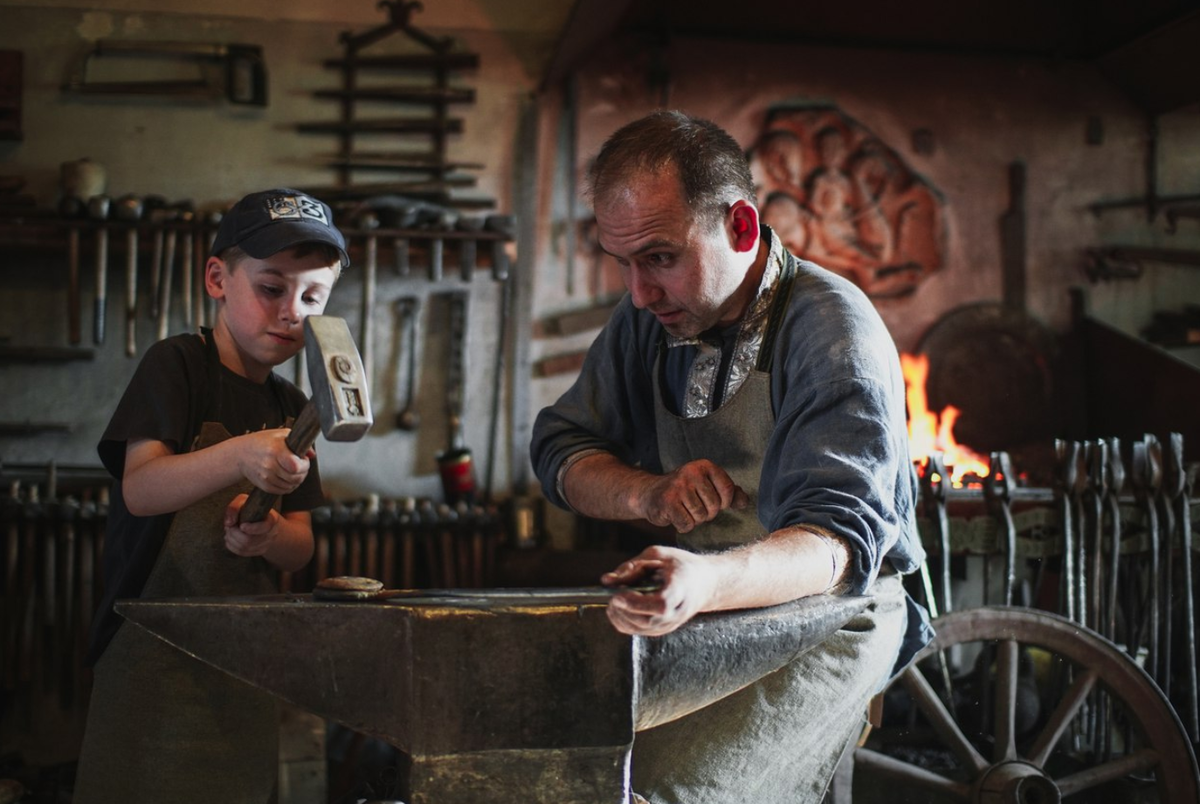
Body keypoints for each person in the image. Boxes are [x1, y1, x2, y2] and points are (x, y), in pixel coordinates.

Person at [530, 111, 933, 804]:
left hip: (831, 618)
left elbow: (835, 547)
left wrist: (707, 582)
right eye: (624, 263)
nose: (638, 293)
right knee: (561, 767)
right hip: (709, 613)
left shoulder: (831, 330)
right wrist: (645, 496)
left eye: (659, 258)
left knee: (671, 793)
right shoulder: (648, 322)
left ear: (741, 228)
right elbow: (560, 448)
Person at [73, 189, 349, 803]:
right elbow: (141, 490)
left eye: (312, 297)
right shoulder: (178, 365)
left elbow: (300, 547)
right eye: (271, 288)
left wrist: (269, 535)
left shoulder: (293, 406)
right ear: (218, 279)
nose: (292, 313)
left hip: (242, 662)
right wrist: (237, 455)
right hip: (151, 653)